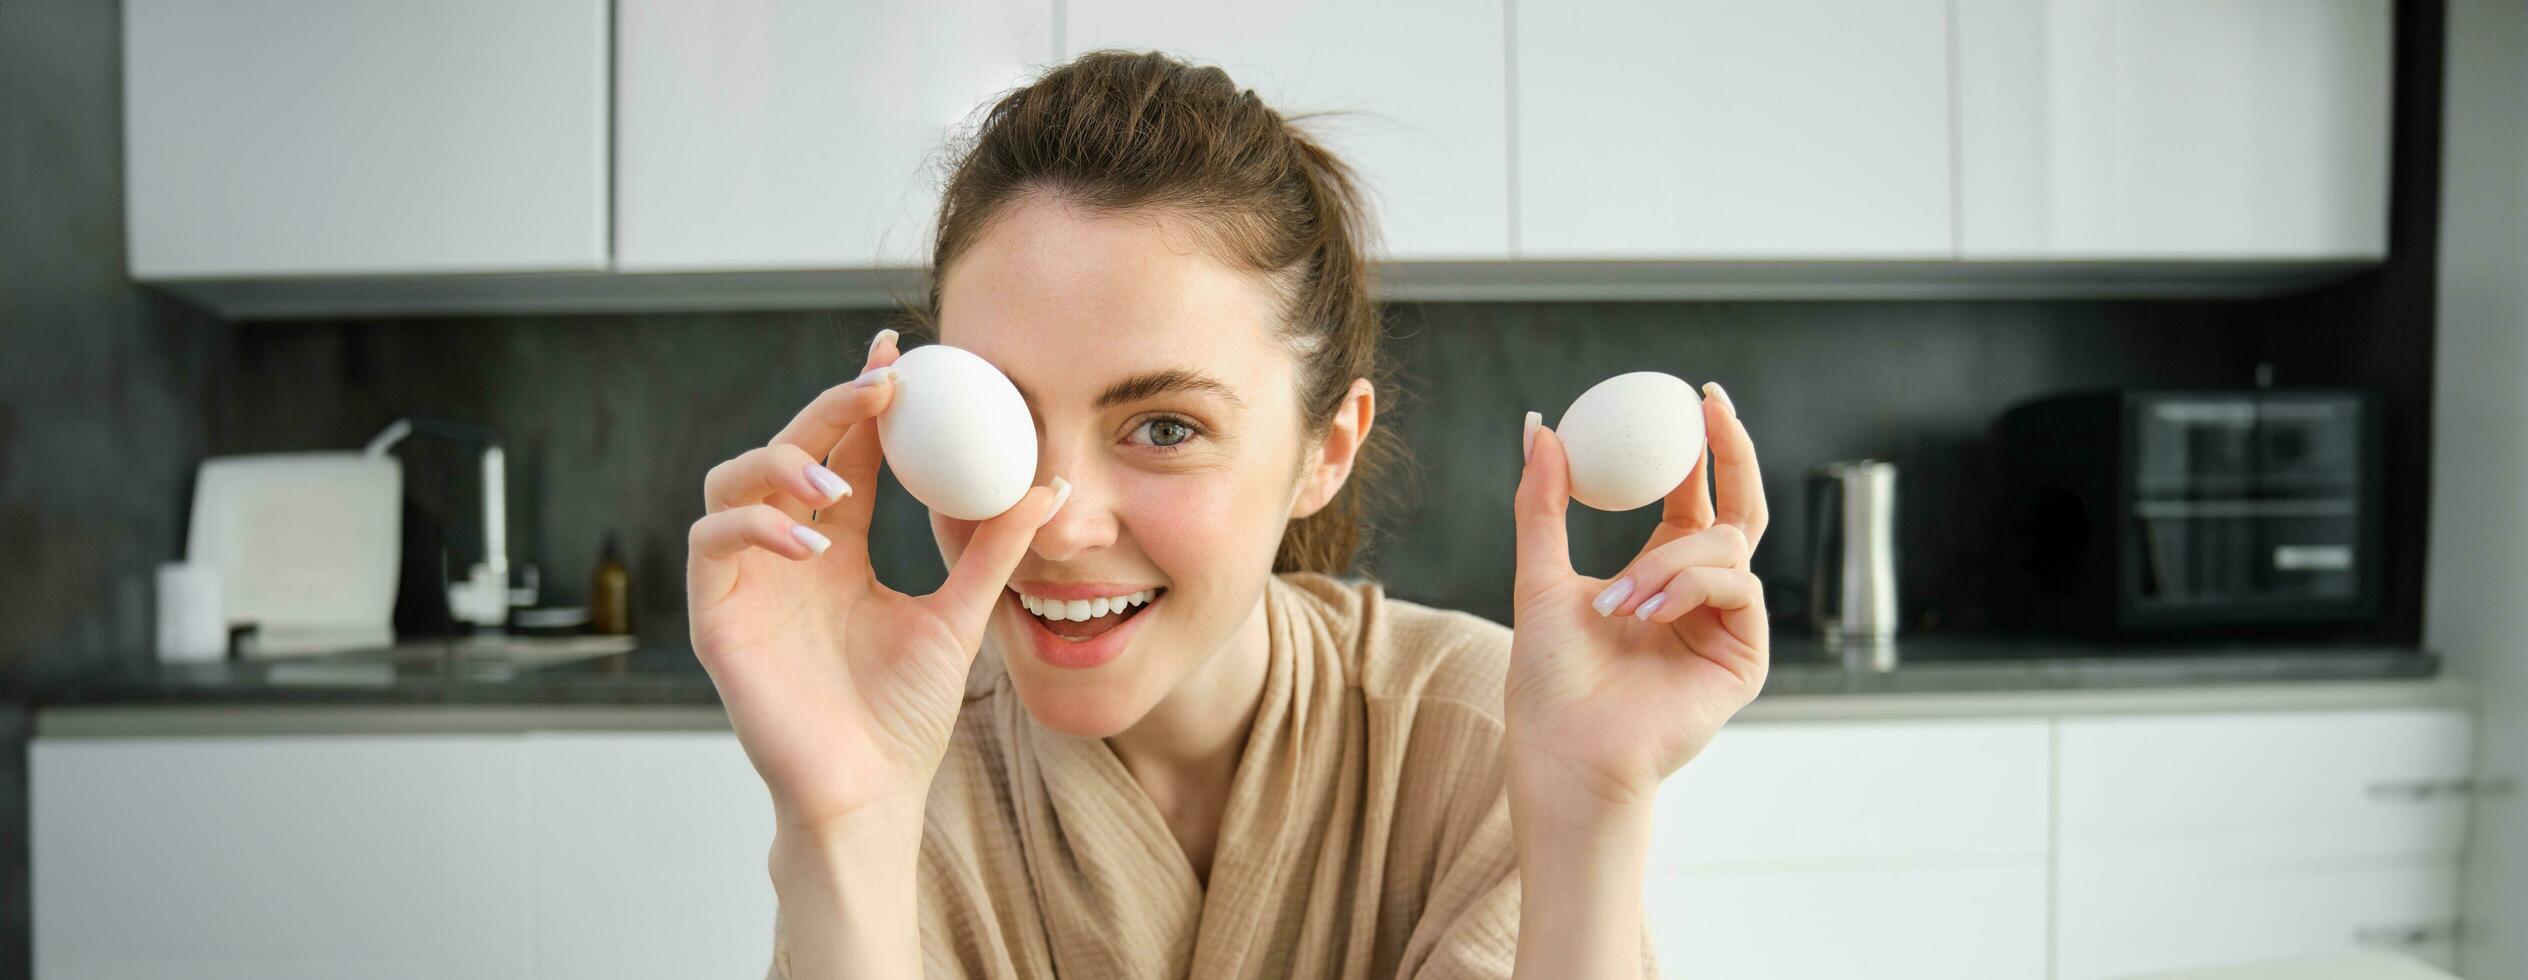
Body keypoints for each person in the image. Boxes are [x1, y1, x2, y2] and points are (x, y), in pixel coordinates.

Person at [686, 50, 1770, 979]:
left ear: (1322, 449)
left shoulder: (1479, 735)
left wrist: (1587, 807)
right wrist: (842, 824)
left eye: (1162, 427)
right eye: (1001, 420)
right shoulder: (894, 754)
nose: (1053, 525)